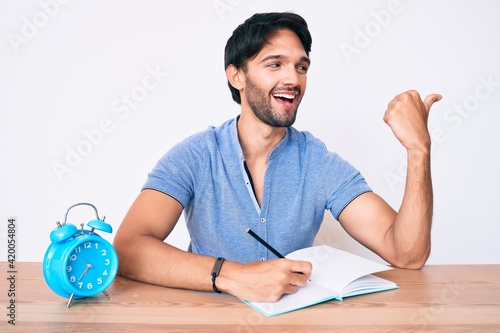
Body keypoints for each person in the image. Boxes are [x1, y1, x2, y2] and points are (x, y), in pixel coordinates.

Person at [113, 12, 441, 302]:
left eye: (301, 67)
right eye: (275, 64)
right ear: (236, 76)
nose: (293, 79)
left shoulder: (319, 162)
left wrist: (418, 150)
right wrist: (232, 276)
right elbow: (128, 249)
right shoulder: (193, 155)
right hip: (208, 318)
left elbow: (406, 254)